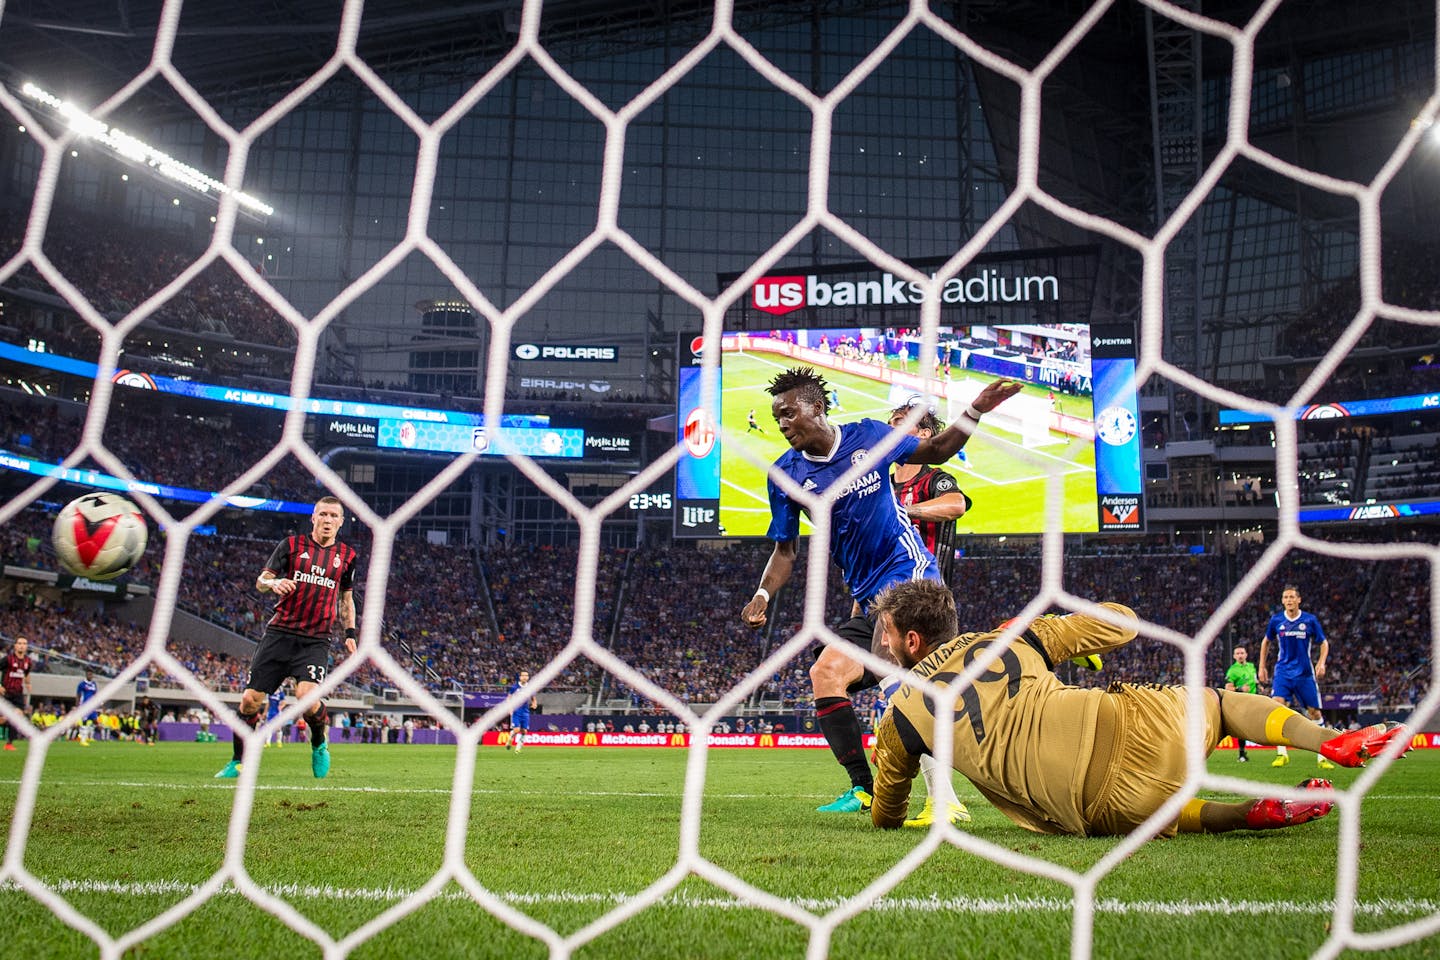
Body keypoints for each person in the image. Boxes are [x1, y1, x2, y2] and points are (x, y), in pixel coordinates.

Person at [868, 579, 1407, 836]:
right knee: (1216, 704)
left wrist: (885, 806)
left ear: (913, 642)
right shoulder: (1014, 638)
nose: (883, 646)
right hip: (1137, 729)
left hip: (1093, 810)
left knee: (1157, 813)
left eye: (887, 636)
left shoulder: (901, 717)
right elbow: (1123, 622)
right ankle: (1328, 740)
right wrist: (1043, 631)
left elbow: (887, 814)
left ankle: (1250, 813)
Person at [741, 366, 1020, 813]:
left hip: (908, 571)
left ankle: (944, 801)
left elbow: (937, 449)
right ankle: (863, 787)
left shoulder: (869, 436)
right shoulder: (784, 475)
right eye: (777, 418)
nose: (783, 424)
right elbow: (785, 551)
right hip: (866, 594)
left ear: (817, 408)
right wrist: (763, 594)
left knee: (895, 675)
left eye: (789, 413)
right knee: (826, 675)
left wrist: (974, 411)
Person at [215, 496, 359, 780]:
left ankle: (318, 743)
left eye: (334, 516)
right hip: (279, 633)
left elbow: (346, 598)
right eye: (323, 514)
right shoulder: (291, 546)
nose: (328, 520)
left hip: (316, 639)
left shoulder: (348, 556)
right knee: (249, 701)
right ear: (313, 517)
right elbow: (261, 581)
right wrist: (274, 582)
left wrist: (351, 633)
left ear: (341, 522)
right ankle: (238, 761)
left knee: (305, 697)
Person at [887, 400, 973, 827]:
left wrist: (905, 513)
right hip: (885, 599)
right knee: (847, 677)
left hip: (924, 599)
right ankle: (871, 788)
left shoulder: (933, 477)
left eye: (898, 425)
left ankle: (943, 798)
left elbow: (956, 505)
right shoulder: (881, 480)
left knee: (908, 693)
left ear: (923, 435)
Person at [1258, 585, 1334, 770]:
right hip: (1283, 671)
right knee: (1277, 705)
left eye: (1292, 597)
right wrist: (1261, 666)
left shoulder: (1309, 620)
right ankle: (1282, 753)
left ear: (1299, 599)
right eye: (1286, 597)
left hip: (1304, 673)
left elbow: (1323, 643)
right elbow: (1266, 641)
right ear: (1282, 601)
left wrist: (1321, 662)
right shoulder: (1276, 620)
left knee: (1314, 712)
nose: (1289, 600)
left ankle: (1322, 757)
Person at [1225, 645, 1258, 762]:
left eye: (1242, 653)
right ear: (1234, 656)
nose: (1240, 655)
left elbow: (1255, 681)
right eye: (1237, 653)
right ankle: (1241, 753)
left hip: (1254, 700)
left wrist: (1260, 687)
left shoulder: (1252, 667)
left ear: (1246, 655)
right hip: (1241, 702)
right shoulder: (1233, 670)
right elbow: (1228, 688)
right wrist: (1239, 689)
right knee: (1241, 728)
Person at [2, 637, 32, 751]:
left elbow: (27, 673)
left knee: (17, 717)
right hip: (6, 693)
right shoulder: (8, 659)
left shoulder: (28, 661)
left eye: (24, 643)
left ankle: (9, 743)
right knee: (4, 719)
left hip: (18, 694)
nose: (22, 646)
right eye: (19, 643)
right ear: (15, 645)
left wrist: (28, 683)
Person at [507, 670, 537, 752]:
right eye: (523, 675)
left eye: (526, 675)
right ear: (520, 677)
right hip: (516, 711)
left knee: (524, 731)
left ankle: (518, 747)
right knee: (516, 730)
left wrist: (534, 704)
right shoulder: (514, 687)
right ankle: (510, 739)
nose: (525, 677)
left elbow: (533, 699)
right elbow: (509, 698)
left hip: (525, 712)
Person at [74, 669, 99, 746]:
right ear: (86, 675)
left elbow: (95, 694)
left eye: (91, 674)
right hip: (84, 705)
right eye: (88, 674)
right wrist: (77, 706)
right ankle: (83, 740)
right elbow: (78, 695)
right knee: (84, 722)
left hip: (92, 706)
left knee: (95, 721)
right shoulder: (82, 684)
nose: (90, 676)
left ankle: (88, 736)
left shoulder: (94, 684)